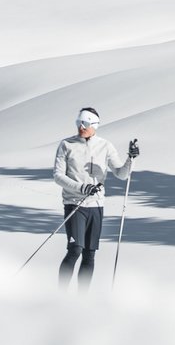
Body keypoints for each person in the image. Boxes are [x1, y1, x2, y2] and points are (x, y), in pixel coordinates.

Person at [53, 106, 139, 289]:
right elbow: (58, 176)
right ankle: (59, 296)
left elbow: (121, 174)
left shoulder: (105, 146)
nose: (80, 127)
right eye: (78, 123)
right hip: (74, 203)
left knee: (89, 254)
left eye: (84, 123)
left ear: (94, 125)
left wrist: (131, 159)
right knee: (75, 250)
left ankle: (82, 300)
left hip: (96, 206)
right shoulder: (66, 144)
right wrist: (82, 187)